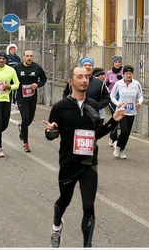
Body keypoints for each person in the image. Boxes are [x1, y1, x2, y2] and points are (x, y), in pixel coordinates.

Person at [43, 66, 126, 248]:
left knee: (88, 206)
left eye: (87, 77)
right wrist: (51, 130)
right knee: (64, 200)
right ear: (71, 81)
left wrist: (114, 120)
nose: (85, 80)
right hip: (68, 163)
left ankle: (87, 246)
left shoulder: (94, 107)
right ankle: (56, 227)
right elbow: (51, 134)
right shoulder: (60, 107)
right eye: (80, 77)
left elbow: (98, 133)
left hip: (89, 163)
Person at [13, 49, 47, 152]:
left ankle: (22, 127)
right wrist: (15, 85)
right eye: (27, 56)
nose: (29, 58)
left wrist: (37, 84)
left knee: (30, 119)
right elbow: (10, 79)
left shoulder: (37, 68)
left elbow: (44, 79)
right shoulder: (17, 68)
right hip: (21, 96)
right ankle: (26, 143)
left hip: (32, 97)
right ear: (23, 57)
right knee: (26, 116)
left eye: (31, 56)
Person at [110, 65, 143, 159]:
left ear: (132, 74)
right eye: (127, 73)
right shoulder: (118, 84)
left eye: (130, 73)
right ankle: (118, 147)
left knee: (127, 133)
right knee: (124, 130)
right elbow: (112, 96)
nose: (128, 75)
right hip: (121, 111)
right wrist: (118, 104)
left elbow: (140, 96)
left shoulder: (136, 84)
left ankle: (122, 150)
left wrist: (139, 102)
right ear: (123, 74)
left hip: (131, 112)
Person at [105, 56, 124, 146]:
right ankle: (114, 139)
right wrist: (108, 83)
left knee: (120, 118)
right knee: (115, 117)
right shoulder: (109, 73)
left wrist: (122, 80)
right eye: (115, 62)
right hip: (112, 97)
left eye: (118, 62)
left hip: (121, 98)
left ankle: (112, 137)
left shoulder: (124, 72)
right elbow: (106, 83)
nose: (117, 63)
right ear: (113, 63)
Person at [6, 44, 21, 110]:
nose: (12, 51)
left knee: (15, 89)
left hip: (15, 75)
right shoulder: (7, 57)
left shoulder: (17, 58)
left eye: (14, 50)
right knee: (9, 89)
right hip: (8, 75)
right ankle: (8, 102)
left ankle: (14, 103)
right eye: (11, 50)